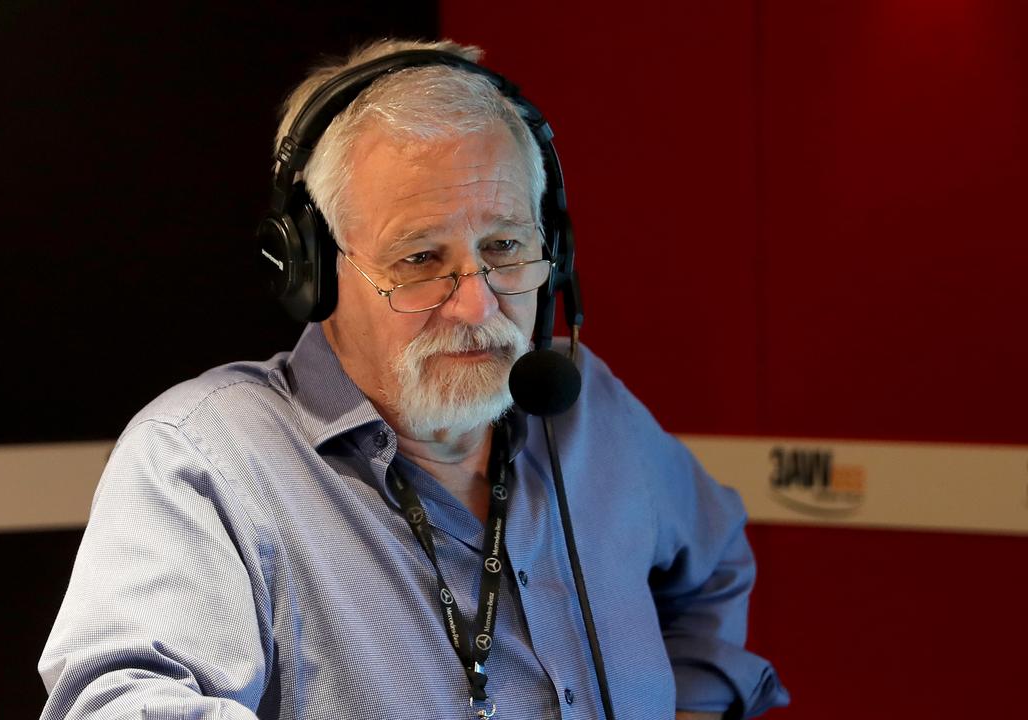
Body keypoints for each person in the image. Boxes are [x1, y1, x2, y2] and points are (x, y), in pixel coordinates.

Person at [38, 39, 789, 720]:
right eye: (420, 260)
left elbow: (715, 566)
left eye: (503, 245)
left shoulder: (586, 408)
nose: (477, 304)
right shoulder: (204, 457)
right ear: (313, 271)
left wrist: (693, 703)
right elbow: (118, 704)